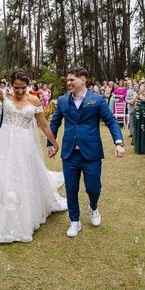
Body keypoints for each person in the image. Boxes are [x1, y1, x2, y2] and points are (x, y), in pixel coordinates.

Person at [0, 52, 67, 243]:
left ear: (28, 85)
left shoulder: (35, 101)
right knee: (3, 178)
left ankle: (23, 218)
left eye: (23, 88)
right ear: (11, 86)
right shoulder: (4, 95)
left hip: (25, 145)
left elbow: (44, 125)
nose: (19, 91)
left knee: (24, 179)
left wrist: (54, 143)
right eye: (16, 88)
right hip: (6, 143)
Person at [49, 67, 125, 237]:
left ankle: (93, 207)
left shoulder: (97, 100)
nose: (68, 83)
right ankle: (74, 221)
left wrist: (118, 142)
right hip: (69, 153)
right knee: (71, 189)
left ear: (83, 80)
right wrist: (51, 143)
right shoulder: (62, 101)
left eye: (71, 80)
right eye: (67, 80)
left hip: (91, 152)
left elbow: (111, 121)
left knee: (94, 188)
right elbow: (54, 123)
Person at [131, 81, 145, 155]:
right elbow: (133, 102)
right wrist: (138, 94)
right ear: (139, 87)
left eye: (144, 86)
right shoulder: (135, 93)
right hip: (138, 113)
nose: (143, 87)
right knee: (139, 129)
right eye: (142, 86)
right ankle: (139, 148)